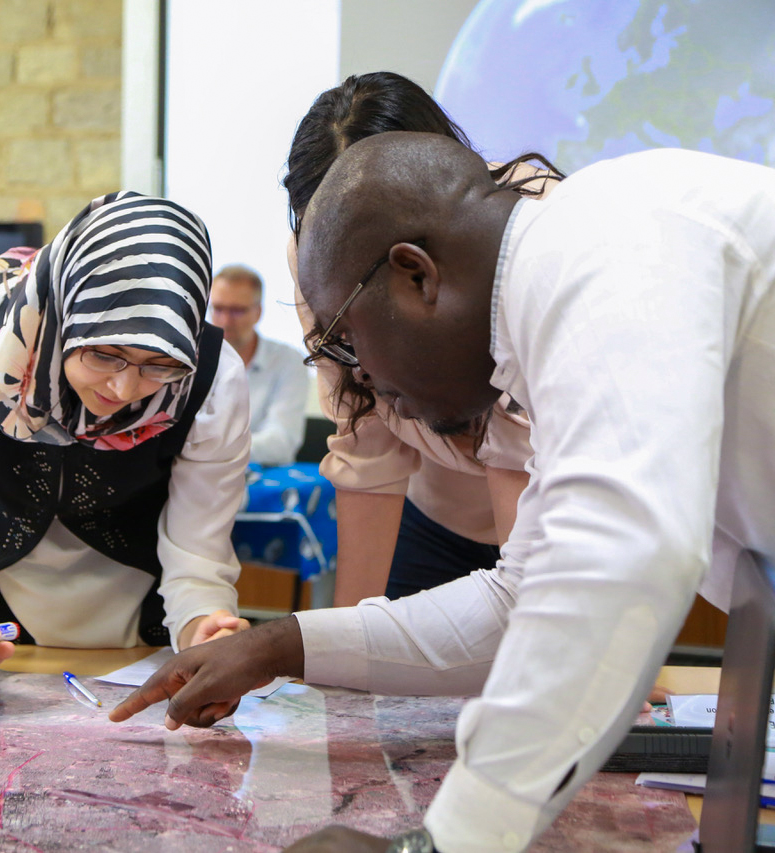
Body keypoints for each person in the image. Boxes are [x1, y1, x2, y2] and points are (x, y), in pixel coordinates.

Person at [111, 135, 775, 852]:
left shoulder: (607, 248)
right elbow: (518, 599)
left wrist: (441, 843)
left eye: (348, 344)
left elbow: (616, 559)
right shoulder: (564, 301)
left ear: (415, 275)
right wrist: (284, 642)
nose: (362, 381)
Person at [0, 191, 252, 690]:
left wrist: (203, 630)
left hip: (140, 625)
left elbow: (198, 557)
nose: (123, 390)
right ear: (63, 312)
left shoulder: (210, 375)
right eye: (103, 354)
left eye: (158, 365)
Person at [284, 72, 546, 605]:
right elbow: (365, 445)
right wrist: (346, 655)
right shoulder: (315, 256)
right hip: (434, 518)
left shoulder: (526, 227)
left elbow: (517, 453)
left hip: (558, 525)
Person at [208, 265, 309, 467]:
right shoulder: (191, 359)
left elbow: (282, 442)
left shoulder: (288, 361)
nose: (226, 321)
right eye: (218, 309)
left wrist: (211, 449)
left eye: (237, 311)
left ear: (258, 312)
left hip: (260, 480)